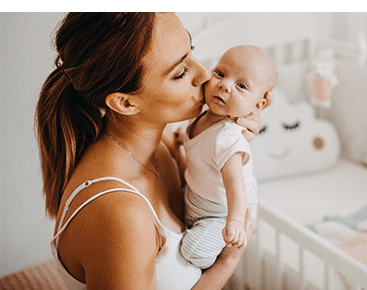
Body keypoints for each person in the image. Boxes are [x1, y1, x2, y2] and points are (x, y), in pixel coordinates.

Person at [36, 12, 267, 290]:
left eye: (190, 50)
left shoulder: (166, 143)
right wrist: (229, 260)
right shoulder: (121, 214)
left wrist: (227, 132)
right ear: (125, 102)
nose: (204, 74)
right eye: (180, 72)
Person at [178, 45, 277, 269]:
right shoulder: (201, 115)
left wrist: (235, 221)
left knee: (194, 253)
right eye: (220, 73)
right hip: (198, 197)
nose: (224, 84)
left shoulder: (228, 138)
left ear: (258, 105)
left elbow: (235, 184)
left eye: (241, 86)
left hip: (223, 211)